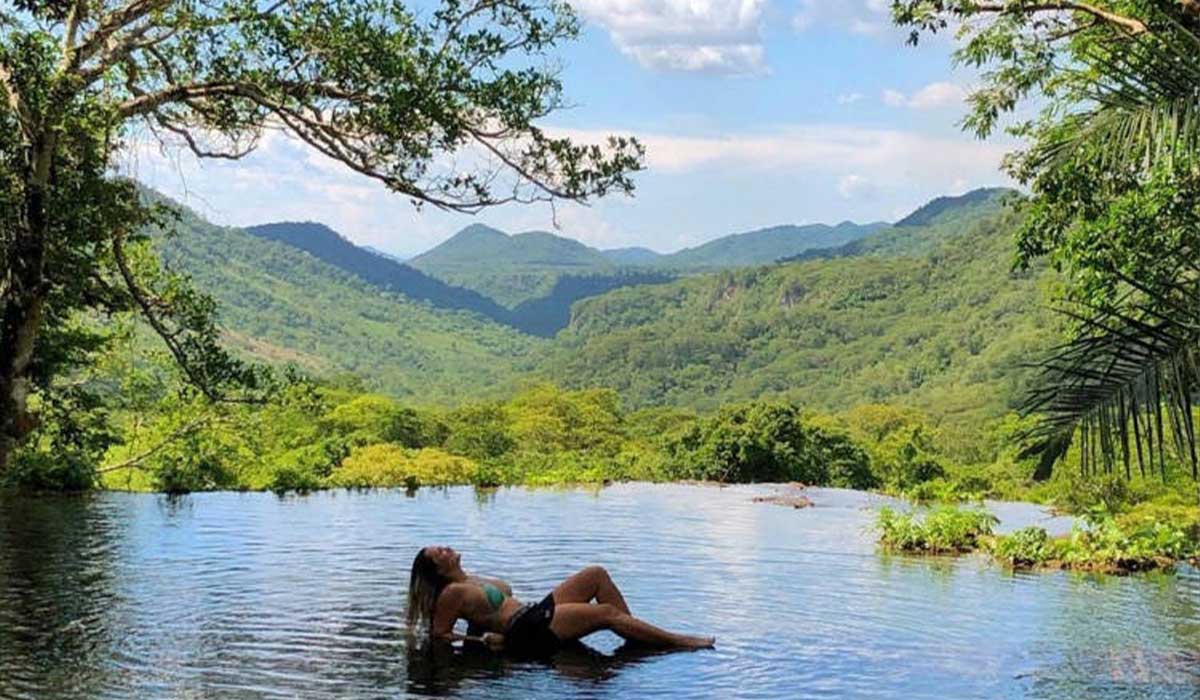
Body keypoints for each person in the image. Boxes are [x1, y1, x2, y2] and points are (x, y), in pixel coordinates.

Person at [407, 545, 715, 657]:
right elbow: (439, 634)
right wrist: (482, 639)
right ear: (438, 569)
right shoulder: (451, 593)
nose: (447, 548)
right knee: (605, 612)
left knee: (596, 574)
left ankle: (633, 632)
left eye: (443, 547)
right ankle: (678, 641)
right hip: (526, 629)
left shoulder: (470, 579)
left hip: (534, 613)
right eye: (440, 554)